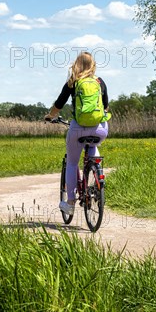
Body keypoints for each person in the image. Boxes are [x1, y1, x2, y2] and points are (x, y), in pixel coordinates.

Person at [44, 52, 110, 216]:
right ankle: (97, 174)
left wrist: (50, 116)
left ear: (76, 65)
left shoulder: (72, 82)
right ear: (93, 65)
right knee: (94, 147)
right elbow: (106, 107)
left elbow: (59, 104)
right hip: (100, 128)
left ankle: (71, 202)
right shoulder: (99, 82)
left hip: (78, 128)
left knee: (72, 163)